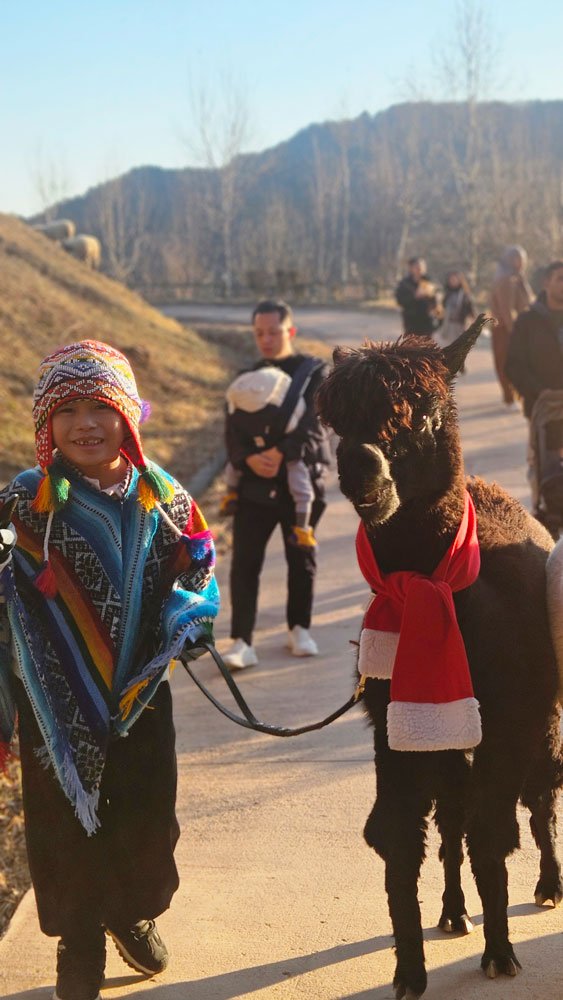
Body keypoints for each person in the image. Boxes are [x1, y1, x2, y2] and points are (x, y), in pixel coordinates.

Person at [0, 340, 219, 1000]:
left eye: (101, 407)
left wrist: (191, 619)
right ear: (46, 425)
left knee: (150, 820)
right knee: (66, 825)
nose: (86, 424)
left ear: (127, 414)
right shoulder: (22, 504)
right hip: (51, 705)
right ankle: (80, 944)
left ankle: (131, 912)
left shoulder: (164, 496)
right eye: (68, 410)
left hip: (141, 697)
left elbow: (200, 565)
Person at [222, 299, 331, 670]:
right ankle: (241, 641)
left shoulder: (313, 374)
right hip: (253, 486)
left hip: (299, 484)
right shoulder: (245, 377)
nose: (266, 340)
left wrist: (281, 453)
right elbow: (231, 430)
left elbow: (316, 427)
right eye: (259, 333)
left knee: (301, 558)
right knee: (244, 563)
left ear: (290, 331)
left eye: (273, 332)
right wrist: (247, 459)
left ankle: (299, 628)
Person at [222, 365, 317, 546]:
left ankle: (302, 528)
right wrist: (247, 457)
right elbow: (234, 445)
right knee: (233, 466)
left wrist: (282, 450)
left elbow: (310, 430)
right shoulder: (241, 403)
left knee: (301, 486)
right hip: (255, 459)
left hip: (289, 453)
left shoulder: (288, 400)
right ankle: (230, 496)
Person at [506, 260, 563, 512]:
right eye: (560, 278)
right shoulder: (528, 321)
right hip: (544, 411)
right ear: (546, 283)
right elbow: (513, 366)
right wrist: (540, 393)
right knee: (547, 474)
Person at [489, 245, 533, 407]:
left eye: (522, 259)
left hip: (513, 327)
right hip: (506, 329)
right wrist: (514, 331)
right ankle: (509, 397)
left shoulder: (516, 277)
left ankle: (512, 395)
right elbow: (506, 309)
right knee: (506, 362)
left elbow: (527, 301)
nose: (520, 262)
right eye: (516, 259)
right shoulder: (506, 279)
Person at [395, 256, 440, 337]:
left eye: (423, 266)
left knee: (427, 347)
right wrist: (414, 297)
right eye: (417, 266)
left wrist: (432, 297)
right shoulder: (405, 283)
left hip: (427, 321)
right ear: (411, 268)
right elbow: (400, 301)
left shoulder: (429, 282)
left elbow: (435, 302)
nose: (420, 269)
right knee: (411, 347)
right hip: (411, 321)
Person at [435, 270, 476, 356]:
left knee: (458, 350)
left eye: (455, 279)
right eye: (451, 279)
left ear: (459, 280)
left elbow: (471, 310)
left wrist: (474, 324)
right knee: (445, 349)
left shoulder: (465, 295)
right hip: (447, 325)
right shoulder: (446, 293)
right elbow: (440, 309)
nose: (453, 281)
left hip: (459, 325)